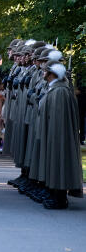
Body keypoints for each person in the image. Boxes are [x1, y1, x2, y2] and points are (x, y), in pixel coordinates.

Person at [34, 60, 83, 209]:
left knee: (59, 163)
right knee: (54, 164)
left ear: (52, 73)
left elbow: (59, 120)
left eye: (45, 71)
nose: (42, 73)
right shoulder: (54, 89)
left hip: (58, 136)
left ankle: (60, 198)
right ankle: (55, 194)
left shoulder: (60, 91)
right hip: (52, 135)